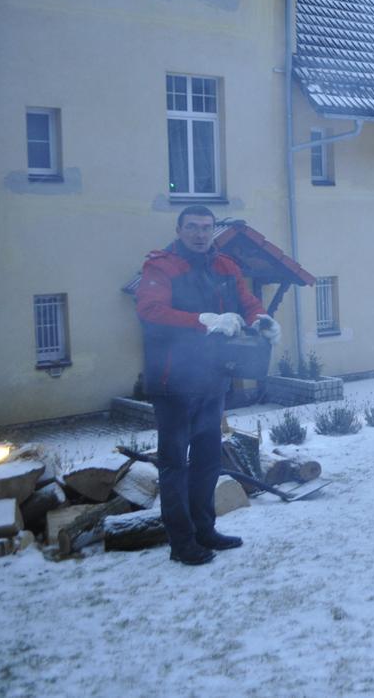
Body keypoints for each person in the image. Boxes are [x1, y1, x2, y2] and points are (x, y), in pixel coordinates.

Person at [135, 206, 281, 565]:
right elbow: (150, 311)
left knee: (206, 461)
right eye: (192, 227)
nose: (200, 234)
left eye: (206, 228)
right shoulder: (161, 266)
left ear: (214, 230)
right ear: (179, 230)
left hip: (212, 378)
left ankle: (206, 530)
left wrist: (261, 319)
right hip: (172, 381)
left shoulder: (225, 266)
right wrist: (202, 320)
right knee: (174, 465)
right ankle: (181, 542)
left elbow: (246, 301)